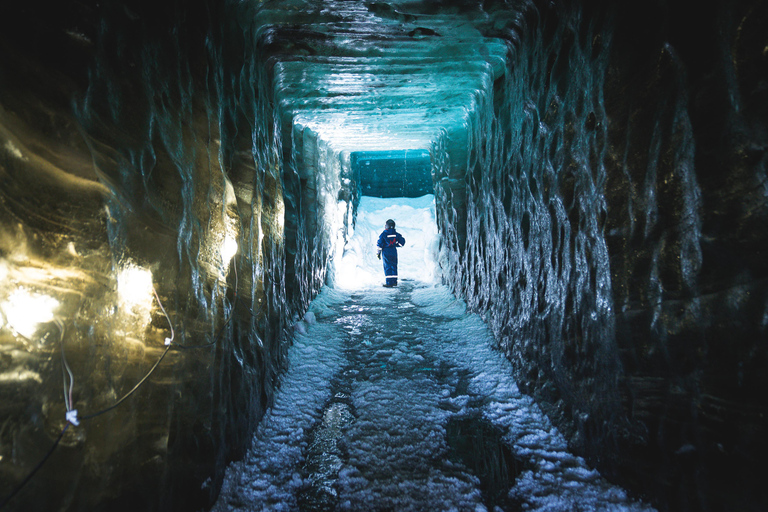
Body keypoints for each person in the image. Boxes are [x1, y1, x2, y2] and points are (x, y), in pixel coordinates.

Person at [376, 219, 405, 287]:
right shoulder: (396, 234)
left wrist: (378, 253)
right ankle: (394, 282)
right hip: (393, 251)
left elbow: (379, 244)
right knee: (394, 266)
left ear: (386, 226)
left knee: (388, 266)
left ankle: (389, 283)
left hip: (386, 252)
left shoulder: (383, 234)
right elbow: (402, 242)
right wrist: (396, 245)